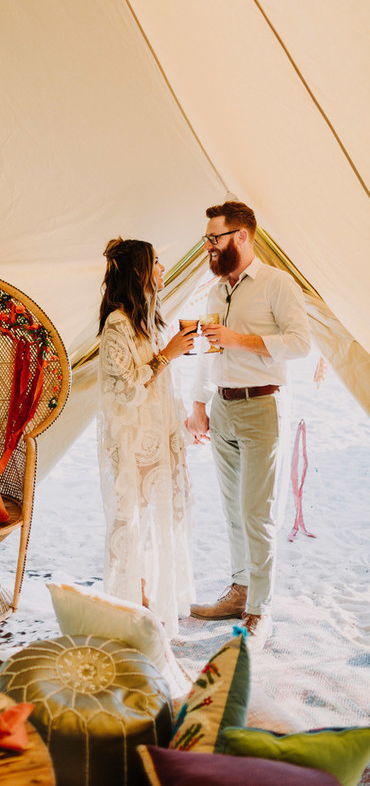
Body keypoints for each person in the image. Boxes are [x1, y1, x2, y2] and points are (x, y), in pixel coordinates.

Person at [186, 201, 310, 649]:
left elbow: (300, 342)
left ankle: (261, 610)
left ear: (241, 236)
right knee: (233, 510)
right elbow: (207, 349)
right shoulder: (216, 290)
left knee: (258, 514)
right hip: (221, 409)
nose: (209, 247)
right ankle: (239, 592)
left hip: (263, 408)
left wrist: (241, 341)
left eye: (214, 239)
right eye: (207, 240)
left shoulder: (278, 284)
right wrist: (198, 403)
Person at [97, 238, 196, 637]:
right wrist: (167, 354)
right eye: (155, 263)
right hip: (130, 438)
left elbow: (159, 384)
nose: (162, 270)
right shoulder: (117, 325)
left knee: (158, 518)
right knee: (130, 518)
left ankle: (146, 596)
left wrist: (181, 420)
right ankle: (130, 602)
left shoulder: (145, 320)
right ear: (139, 271)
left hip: (155, 434)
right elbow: (126, 387)